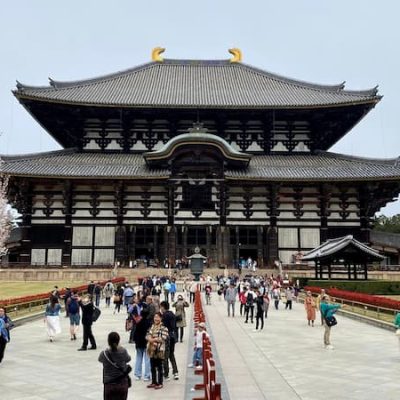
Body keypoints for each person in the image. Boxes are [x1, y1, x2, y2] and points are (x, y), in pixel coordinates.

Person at [98, 331, 131, 400]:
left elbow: (100, 360)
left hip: (109, 384)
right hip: (122, 384)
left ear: (108, 341)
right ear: (118, 341)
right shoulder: (123, 351)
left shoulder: (104, 353)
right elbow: (128, 359)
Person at [146, 312, 169, 390]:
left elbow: (163, 338)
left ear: (161, 318)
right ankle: (154, 382)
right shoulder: (152, 326)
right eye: (155, 317)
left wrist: (153, 339)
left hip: (159, 350)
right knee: (152, 367)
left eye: (157, 317)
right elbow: (147, 335)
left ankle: (160, 382)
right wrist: (151, 339)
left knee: (159, 367)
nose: (156, 319)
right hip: (151, 349)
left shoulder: (164, 327)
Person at [160, 301, 179, 380]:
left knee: (165, 356)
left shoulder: (164, 315)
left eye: (161, 307)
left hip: (166, 336)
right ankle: (175, 372)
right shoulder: (172, 314)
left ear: (163, 307)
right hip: (172, 335)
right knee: (171, 354)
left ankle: (166, 373)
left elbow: (163, 326)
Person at [133, 308, 151, 381]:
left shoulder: (138, 323)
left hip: (139, 343)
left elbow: (135, 334)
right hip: (146, 342)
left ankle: (137, 374)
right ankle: (147, 375)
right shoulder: (149, 323)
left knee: (138, 358)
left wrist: (136, 341)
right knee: (147, 359)